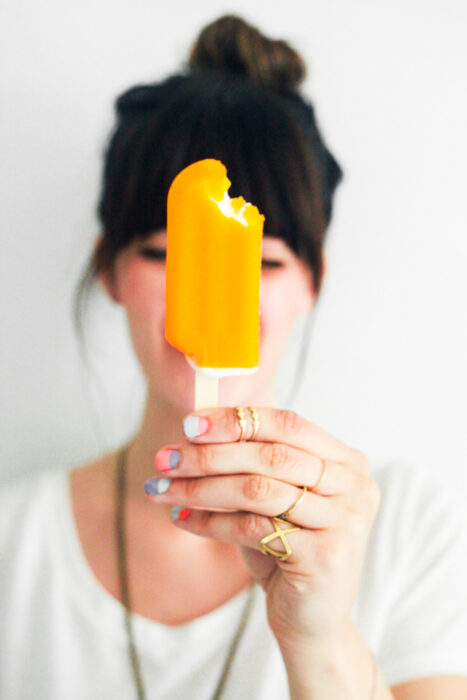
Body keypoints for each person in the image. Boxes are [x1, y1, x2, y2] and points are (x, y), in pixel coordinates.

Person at [1, 14, 467, 700]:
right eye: (162, 254)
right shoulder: (14, 545)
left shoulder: (408, 530)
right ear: (109, 270)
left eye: (269, 261)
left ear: (314, 281)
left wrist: (322, 637)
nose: (234, 290)